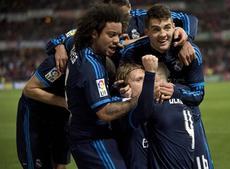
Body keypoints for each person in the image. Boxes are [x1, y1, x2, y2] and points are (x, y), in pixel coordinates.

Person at [120, 4, 214, 169]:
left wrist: (175, 91)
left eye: (167, 28)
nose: (163, 34)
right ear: (146, 32)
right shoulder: (132, 52)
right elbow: (122, 80)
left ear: (174, 27)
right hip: (150, 121)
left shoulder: (191, 53)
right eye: (156, 29)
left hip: (187, 118)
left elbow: (198, 95)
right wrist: (123, 90)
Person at [65, 3, 136, 169]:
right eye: (111, 35)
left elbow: (68, 40)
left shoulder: (84, 49)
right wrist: (136, 100)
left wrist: (114, 90)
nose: (117, 41)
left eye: (118, 35)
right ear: (94, 33)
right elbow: (105, 112)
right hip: (91, 139)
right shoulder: (92, 65)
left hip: (86, 134)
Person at [46, 0, 198, 73]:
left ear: (130, 8)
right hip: (118, 78)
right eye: (118, 16)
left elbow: (189, 18)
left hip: (148, 75)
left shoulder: (142, 16)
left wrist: (186, 40)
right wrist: (59, 46)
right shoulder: (103, 26)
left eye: (125, 15)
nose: (123, 21)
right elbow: (65, 37)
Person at [116, 55, 195, 168]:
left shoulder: (165, 107)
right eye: (139, 80)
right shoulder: (125, 110)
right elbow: (143, 109)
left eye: (145, 78)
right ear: (125, 87)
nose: (146, 83)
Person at [16, 32, 74, 169]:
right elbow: (29, 90)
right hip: (38, 115)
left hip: (61, 115)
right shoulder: (59, 63)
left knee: (60, 162)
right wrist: (65, 102)